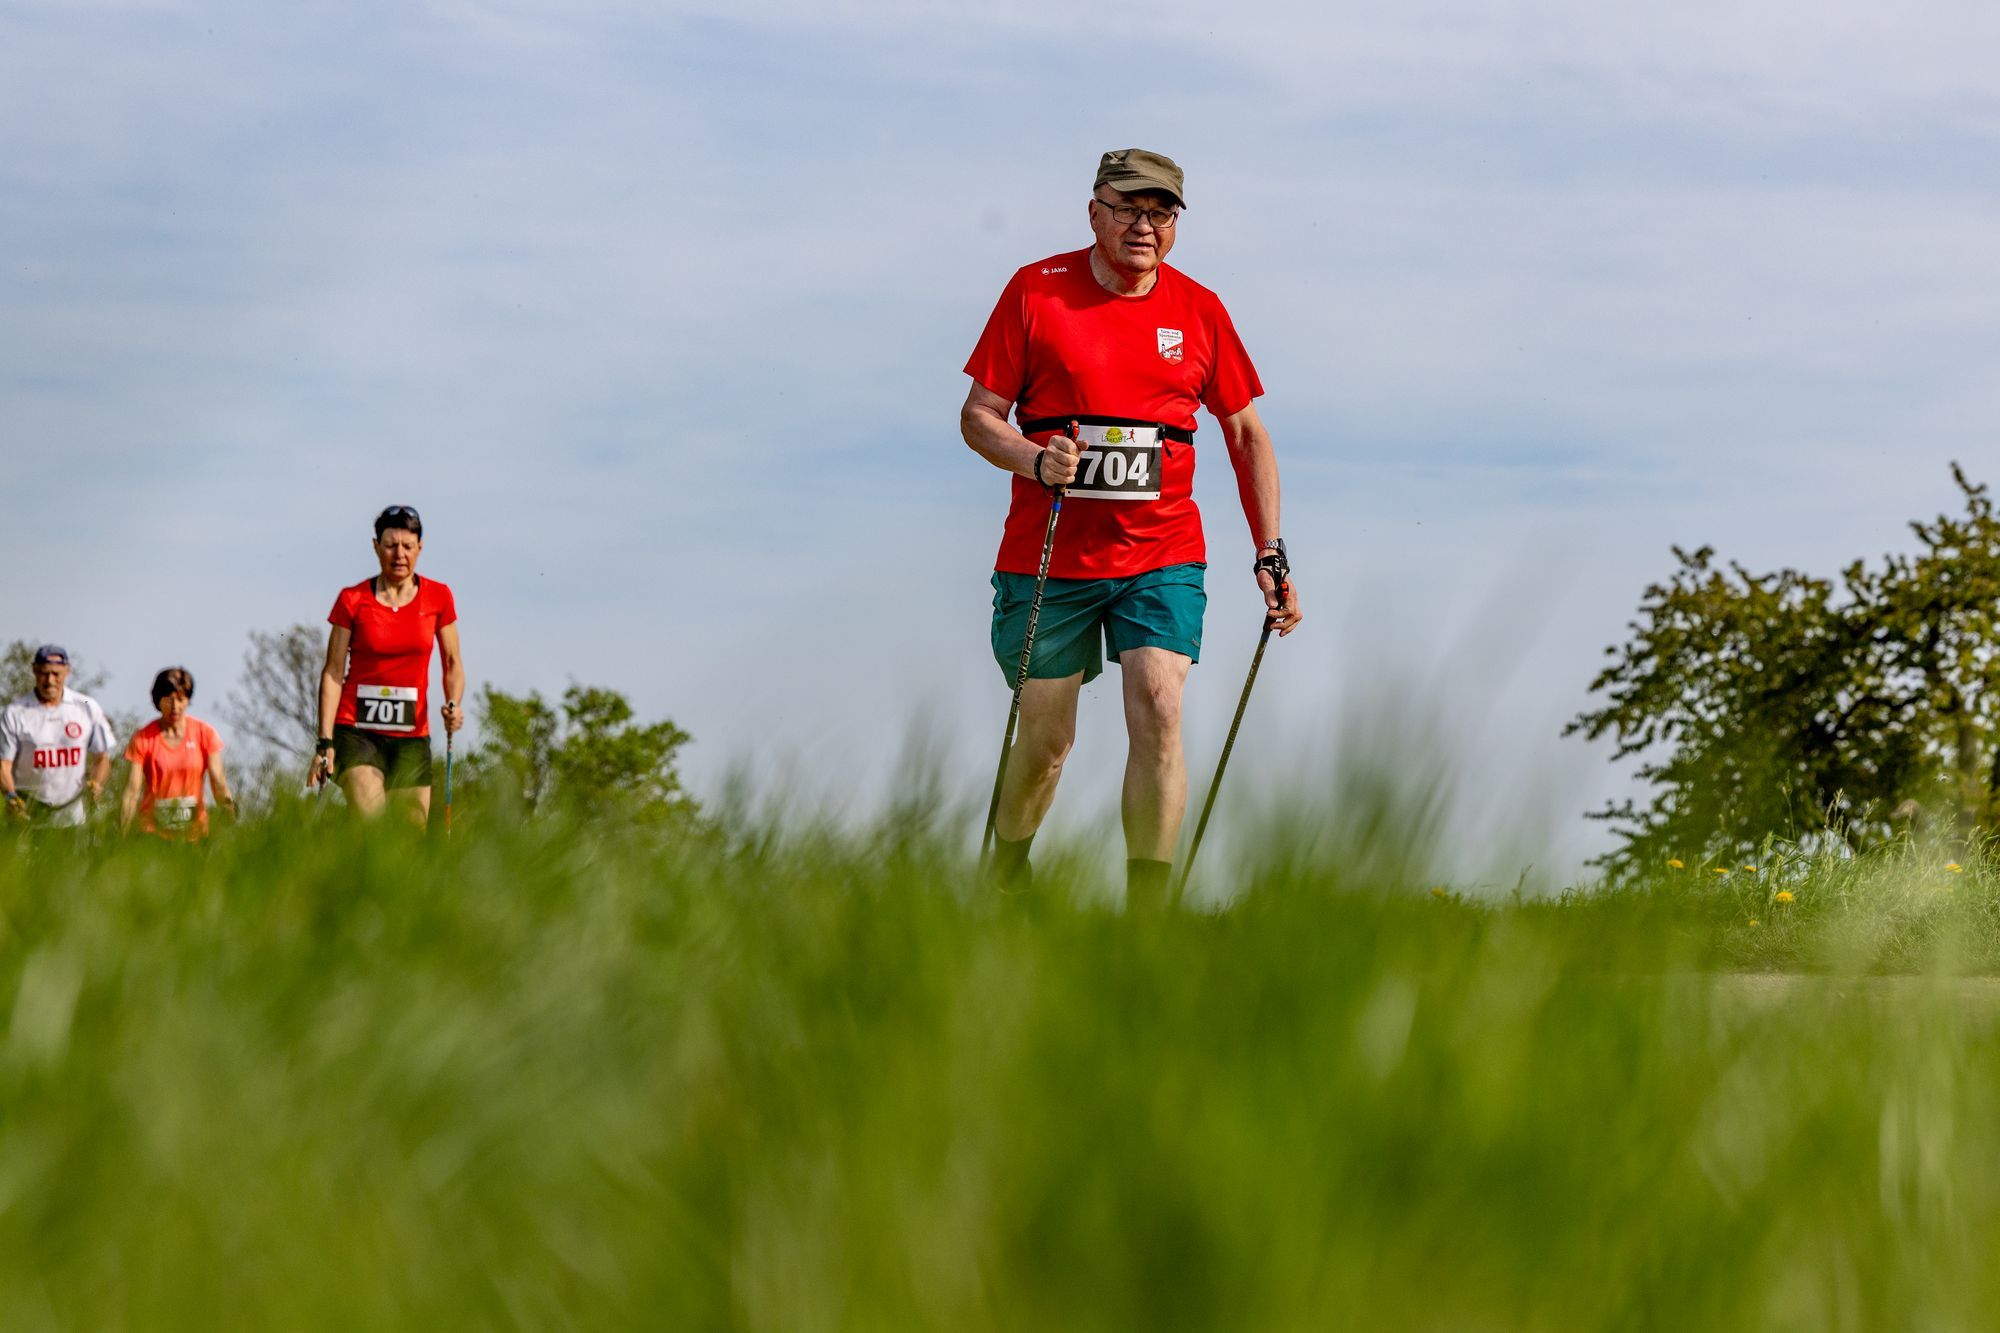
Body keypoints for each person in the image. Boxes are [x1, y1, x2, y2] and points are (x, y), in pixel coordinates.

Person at [961, 148, 1302, 908]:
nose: (1144, 226)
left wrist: (1269, 550)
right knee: (1048, 742)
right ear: (1094, 212)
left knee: (1160, 703)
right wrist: (1031, 456)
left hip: (1162, 554)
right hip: (1048, 556)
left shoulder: (1201, 310)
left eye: (1161, 212)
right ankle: (1005, 881)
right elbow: (978, 418)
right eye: (1128, 209)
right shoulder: (1035, 291)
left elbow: (1245, 434)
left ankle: (1147, 913)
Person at [309, 505, 465, 824]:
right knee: (372, 825)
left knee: (408, 841)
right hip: (357, 730)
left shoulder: (439, 597)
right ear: (376, 546)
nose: (399, 554)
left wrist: (454, 704)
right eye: (390, 545)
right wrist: (325, 742)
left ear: (420, 548)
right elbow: (333, 671)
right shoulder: (351, 600)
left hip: (412, 735)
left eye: (408, 546)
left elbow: (452, 662)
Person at [0, 645, 117, 829]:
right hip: (28, 814)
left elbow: (102, 758)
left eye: (56, 674)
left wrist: (97, 783)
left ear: (67, 671)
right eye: (44, 673)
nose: (50, 680)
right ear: (34, 671)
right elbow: (3, 765)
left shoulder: (86, 706)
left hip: (73, 817)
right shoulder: (14, 713)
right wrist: (10, 796)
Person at [119, 666, 236, 840]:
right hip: (153, 835)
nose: (175, 706)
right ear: (158, 701)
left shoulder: (205, 734)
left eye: (180, 699)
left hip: (194, 835)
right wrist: (122, 833)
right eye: (169, 699)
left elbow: (218, 782)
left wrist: (229, 818)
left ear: (187, 700)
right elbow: (132, 790)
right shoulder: (142, 738)